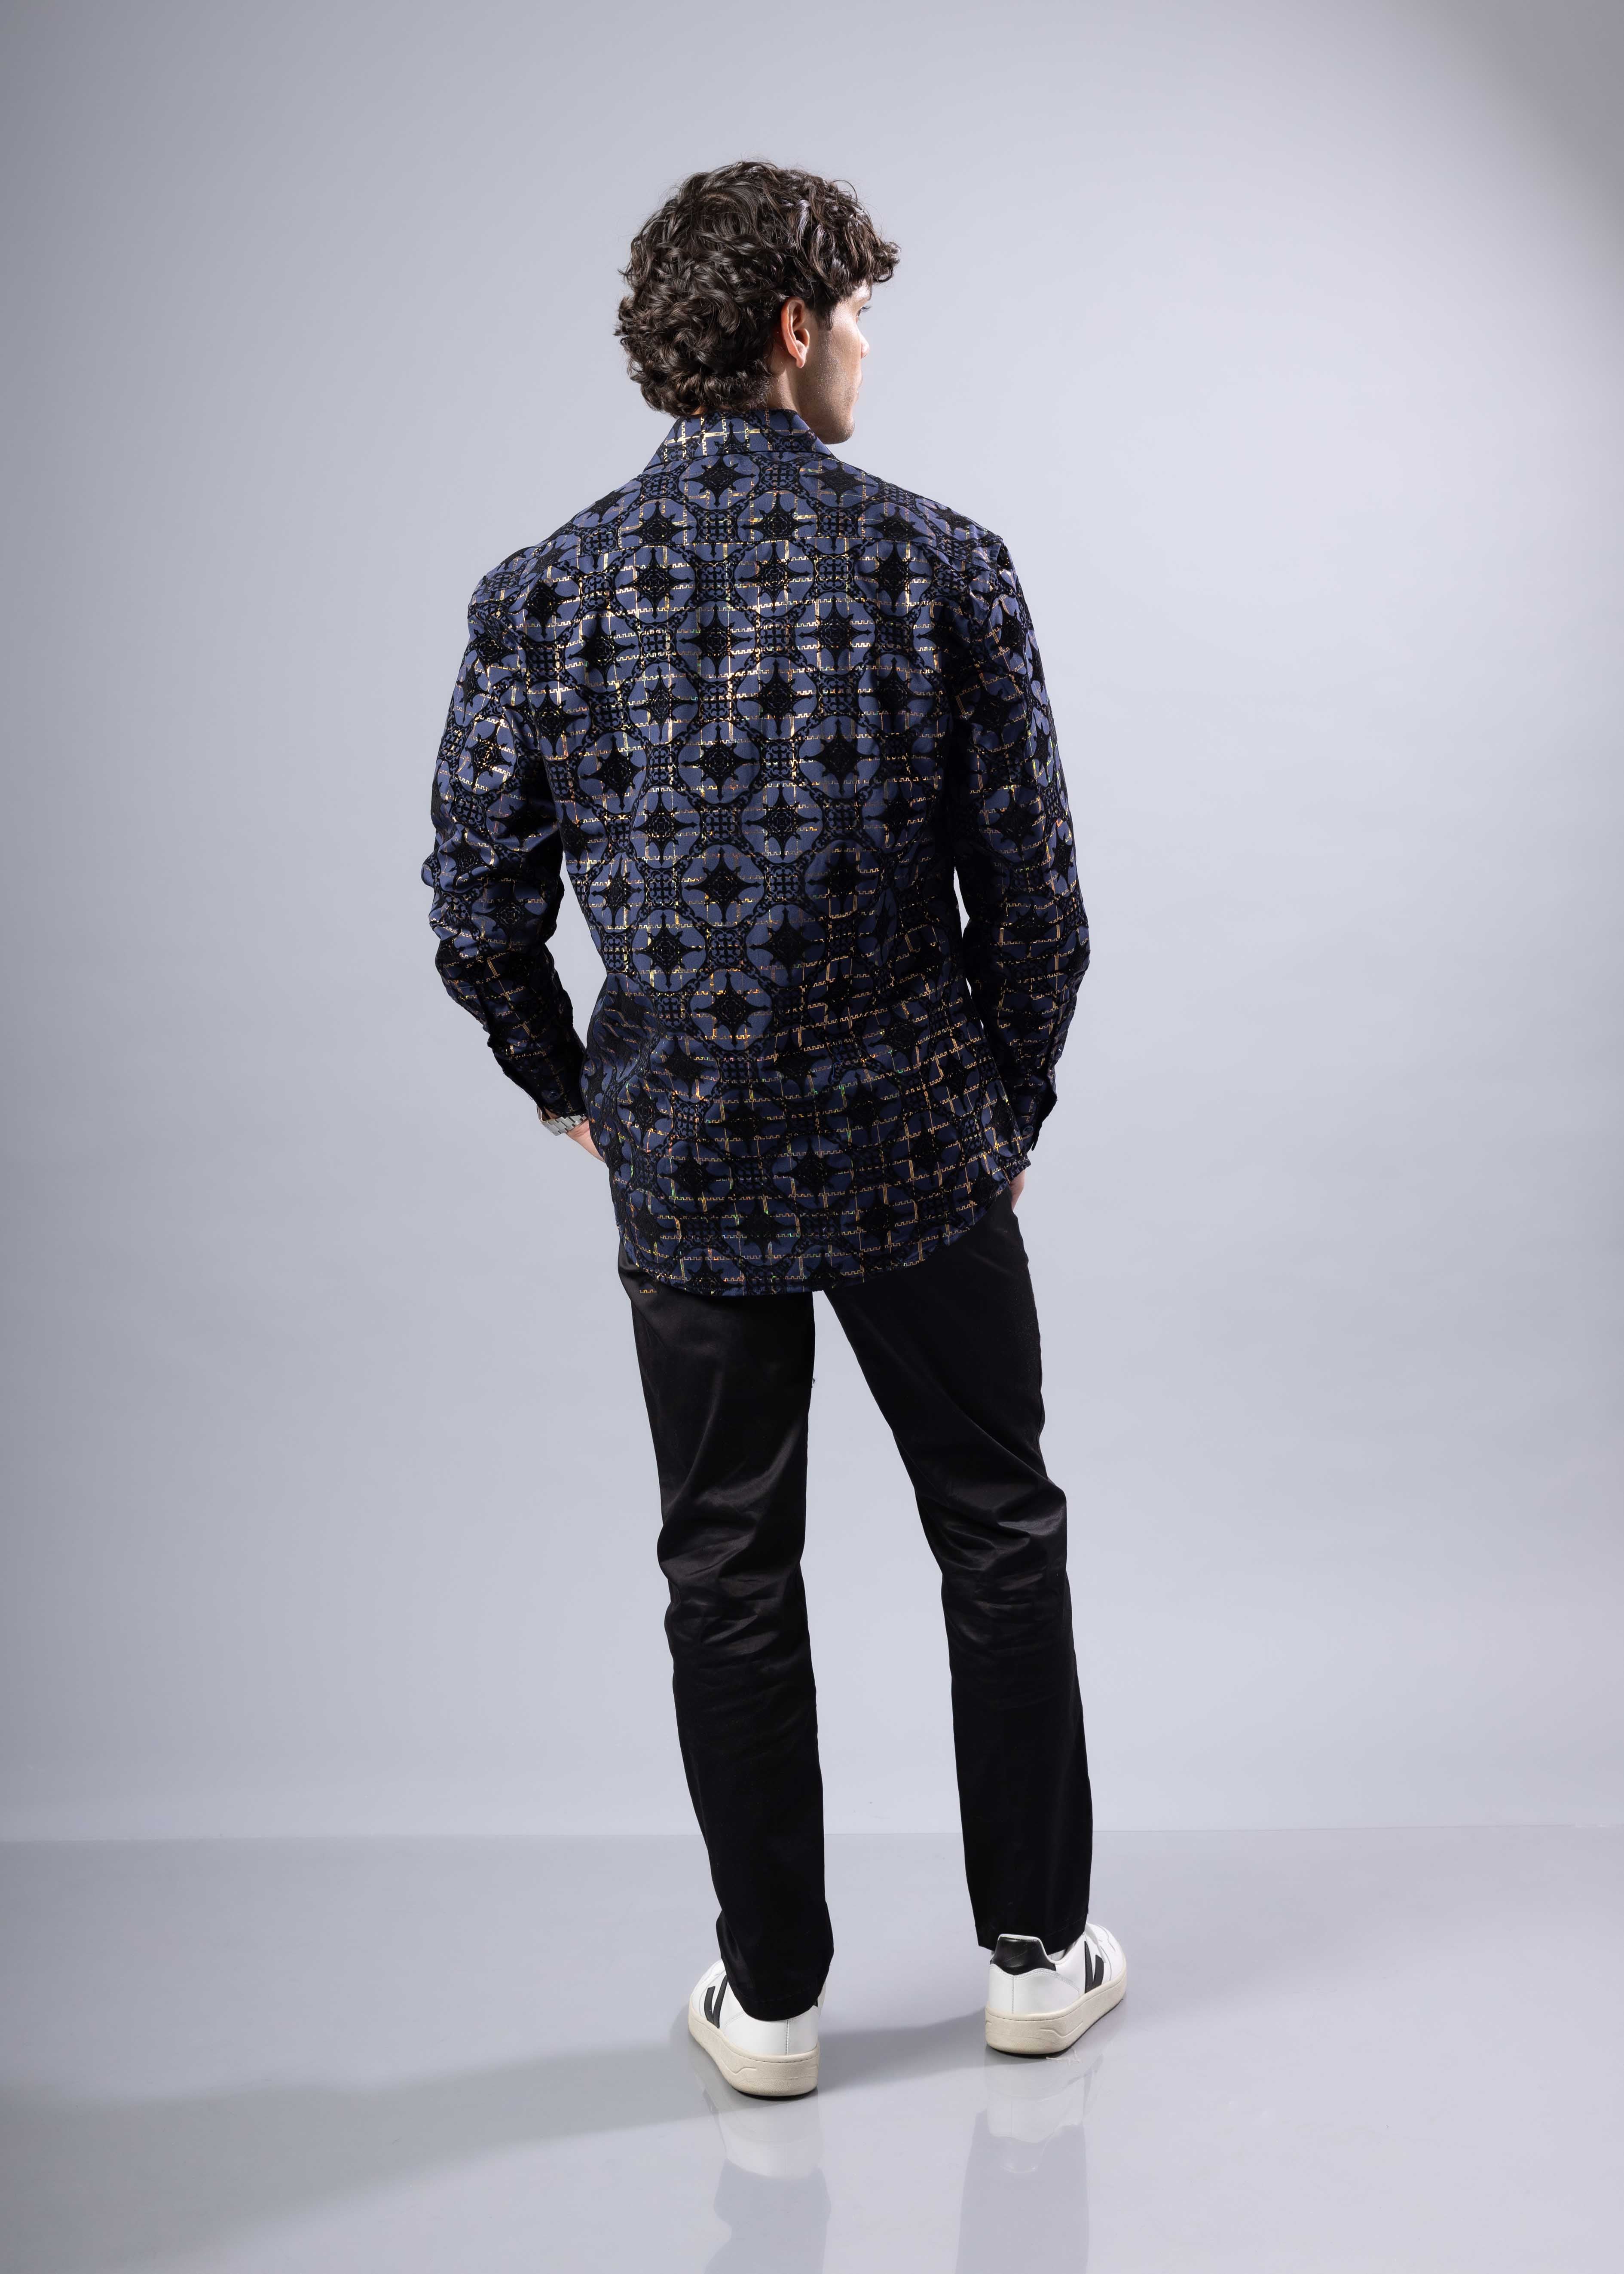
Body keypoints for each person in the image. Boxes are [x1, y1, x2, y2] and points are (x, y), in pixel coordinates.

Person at [422, 160, 1125, 2098]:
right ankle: (1036, 1958)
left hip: (691, 1155)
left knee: (725, 1569)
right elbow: (1037, 897)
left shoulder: (544, 590)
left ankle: (776, 2002)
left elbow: (476, 905)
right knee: (997, 1529)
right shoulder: (940, 561)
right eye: (861, 315)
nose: (870, 352)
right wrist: (1002, 1103)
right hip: (918, 1144)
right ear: (795, 327)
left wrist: (569, 1084)